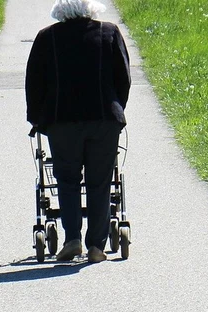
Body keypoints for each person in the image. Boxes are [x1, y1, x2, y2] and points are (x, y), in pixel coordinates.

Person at [25, 0, 131, 262]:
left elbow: (34, 83)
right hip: (104, 119)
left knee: (68, 179)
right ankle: (96, 245)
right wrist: (117, 108)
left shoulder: (46, 38)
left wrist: (36, 119)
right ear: (91, 9)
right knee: (100, 181)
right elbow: (123, 78)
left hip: (62, 121)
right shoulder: (110, 32)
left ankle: (72, 238)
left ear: (60, 12)